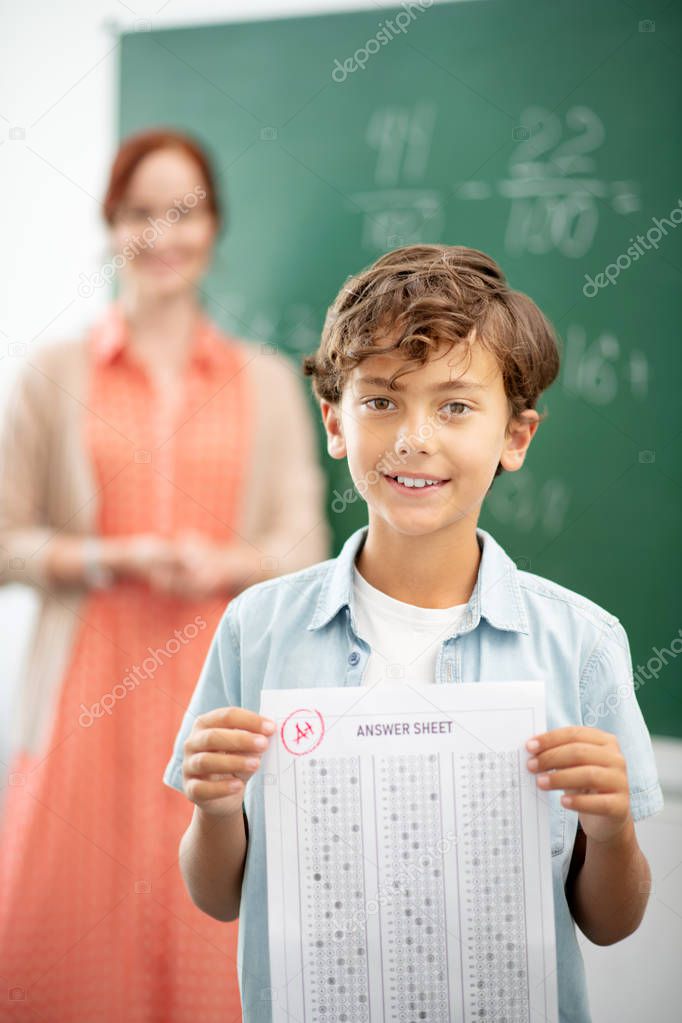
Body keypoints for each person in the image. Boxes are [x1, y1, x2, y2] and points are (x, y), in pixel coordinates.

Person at [161, 244, 663, 1023]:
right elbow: (218, 896)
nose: (414, 436)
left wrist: (612, 823)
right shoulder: (255, 628)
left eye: (455, 405)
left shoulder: (582, 643)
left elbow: (611, 919)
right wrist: (216, 809)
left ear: (516, 436)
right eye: (381, 401)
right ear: (335, 421)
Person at [0, 128, 329, 1019]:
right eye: (141, 212)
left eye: (184, 211)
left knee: (212, 938)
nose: (163, 233)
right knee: (68, 944)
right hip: (84, 700)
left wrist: (226, 562)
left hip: (222, 695)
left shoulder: (264, 381)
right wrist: (108, 556)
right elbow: (4, 537)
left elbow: (304, 541)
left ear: (215, 227)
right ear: (112, 226)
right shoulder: (53, 372)